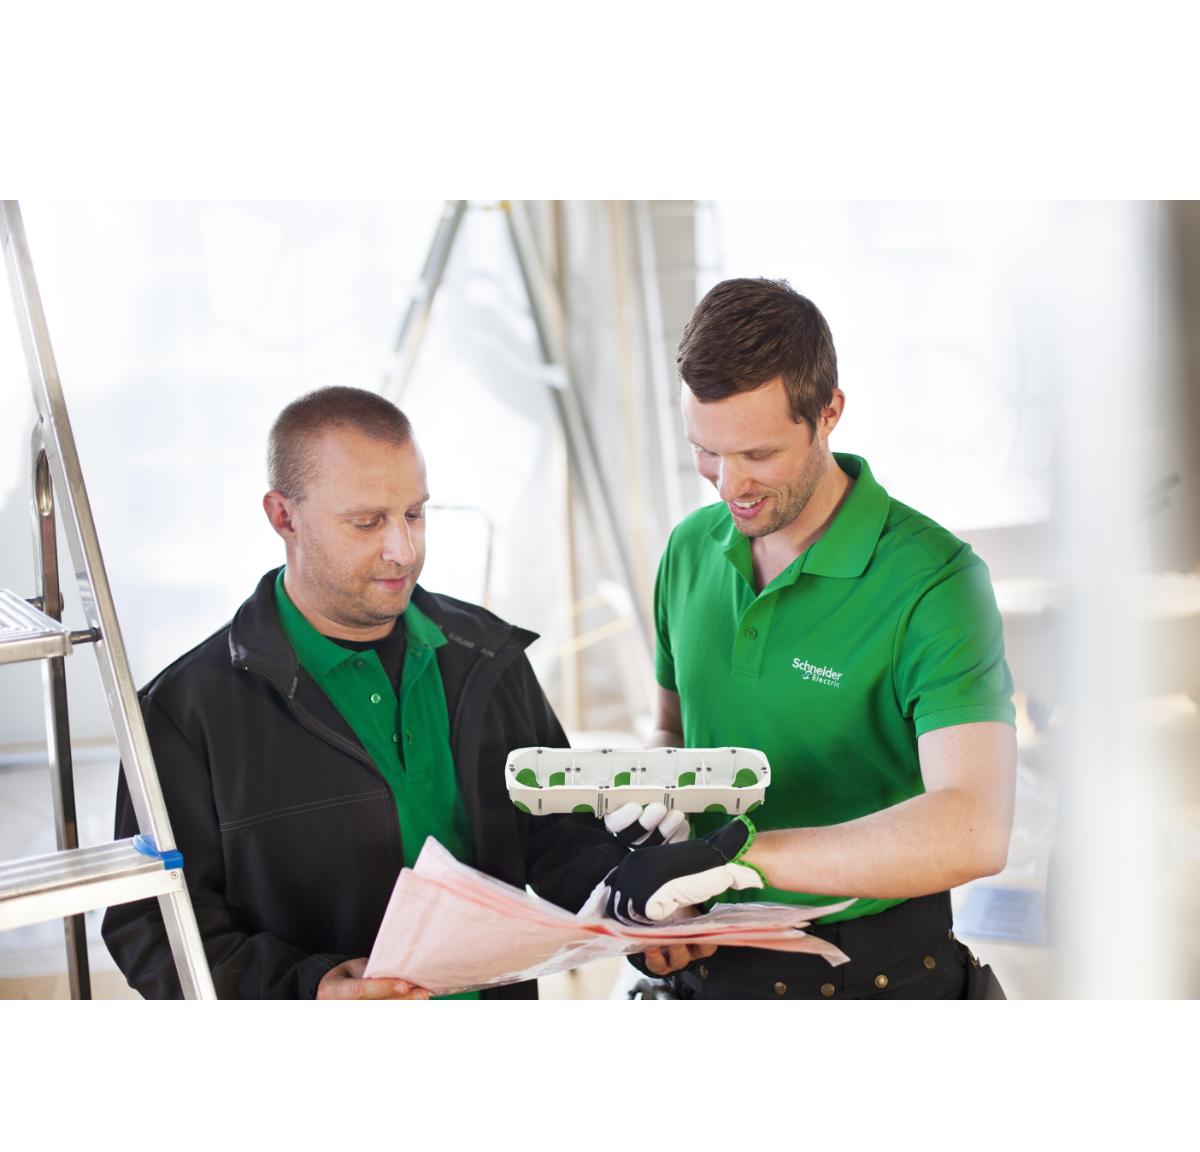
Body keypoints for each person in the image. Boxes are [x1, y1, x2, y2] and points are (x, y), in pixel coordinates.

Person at [102, 385, 653, 999]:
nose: (403, 550)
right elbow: (150, 930)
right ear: (283, 516)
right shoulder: (182, 715)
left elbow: (559, 836)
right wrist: (310, 990)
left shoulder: (485, 657)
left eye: (414, 514)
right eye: (367, 522)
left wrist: (640, 907)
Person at [603, 279, 1017, 999]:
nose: (729, 487)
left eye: (758, 454)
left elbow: (973, 827)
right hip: (710, 967)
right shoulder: (690, 550)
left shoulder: (935, 582)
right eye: (706, 451)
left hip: (877, 978)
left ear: (829, 413)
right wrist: (663, 874)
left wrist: (737, 860)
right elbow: (673, 730)